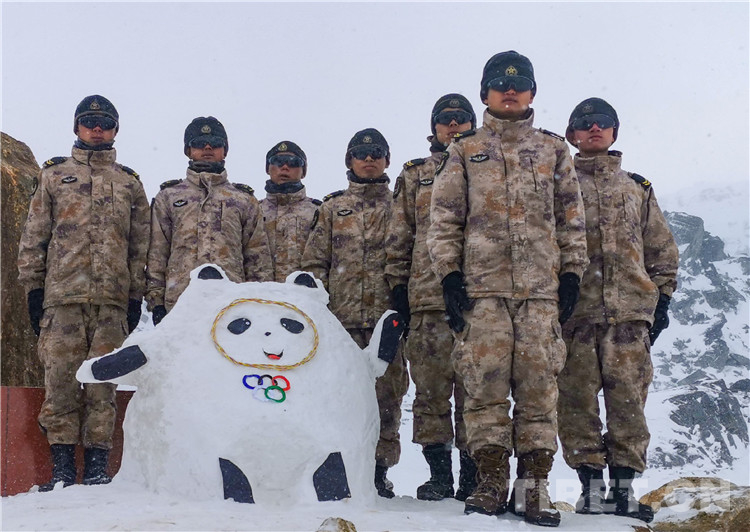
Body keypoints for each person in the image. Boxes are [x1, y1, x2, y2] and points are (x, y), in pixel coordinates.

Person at [427, 51, 588, 527]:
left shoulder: (553, 150)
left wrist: (572, 275)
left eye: (519, 84)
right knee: (484, 388)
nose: (510, 90)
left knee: (540, 390)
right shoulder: (464, 150)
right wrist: (449, 276)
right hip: (483, 292)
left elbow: (571, 220)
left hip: (540, 293)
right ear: (486, 93)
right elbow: (444, 219)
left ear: (532, 92)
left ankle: (533, 490)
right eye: (499, 84)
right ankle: (491, 483)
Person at [18, 95, 150, 490]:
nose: (97, 128)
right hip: (62, 301)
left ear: (115, 130)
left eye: (105, 123)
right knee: (60, 385)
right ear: (76, 127)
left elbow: (140, 247)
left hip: (111, 304)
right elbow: (34, 237)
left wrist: (134, 298)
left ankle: (96, 469)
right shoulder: (54, 176)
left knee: (101, 388)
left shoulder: (129, 183)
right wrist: (34, 291)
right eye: (90, 121)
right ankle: (61, 471)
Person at [556, 97, 679, 523]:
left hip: (628, 316)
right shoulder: (558, 185)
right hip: (575, 315)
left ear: (614, 132)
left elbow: (660, 249)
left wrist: (662, 300)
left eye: (603, 122)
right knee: (576, 404)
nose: (594, 128)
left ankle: (624, 494)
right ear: (572, 134)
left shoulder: (636, 188)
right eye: (585, 122)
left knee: (628, 404)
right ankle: (590, 491)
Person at [302, 128, 409, 498]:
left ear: (387, 159)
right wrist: (319, 313)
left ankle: (379, 471)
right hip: (341, 324)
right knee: (337, 398)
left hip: (386, 322)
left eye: (377, 152)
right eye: (361, 153)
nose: (369, 158)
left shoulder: (400, 206)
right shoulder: (332, 209)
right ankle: (338, 470)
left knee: (388, 399)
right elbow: (314, 264)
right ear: (349, 160)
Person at [385, 94, 477, 501]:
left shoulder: (486, 165)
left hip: (478, 298)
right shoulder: (414, 174)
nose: (453, 124)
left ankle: (474, 477)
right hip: (426, 300)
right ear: (433, 127)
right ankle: (439, 475)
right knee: (431, 393)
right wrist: (398, 289)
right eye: (445, 118)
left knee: (477, 393)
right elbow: (400, 235)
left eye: (460, 118)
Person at [146, 116, 272, 323]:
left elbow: (257, 257)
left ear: (225, 151)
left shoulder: (243, 200)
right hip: (180, 302)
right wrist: (156, 301)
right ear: (188, 150)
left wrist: (258, 302)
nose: (207, 147)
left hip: (232, 305)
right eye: (199, 143)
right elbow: (157, 253)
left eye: (215, 143)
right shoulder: (169, 197)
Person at [260, 141, 321, 282]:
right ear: (268, 168)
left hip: (304, 293)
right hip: (260, 293)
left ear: (303, 171)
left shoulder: (319, 212)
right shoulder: (253, 211)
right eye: (278, 161)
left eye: (293, 162)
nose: (285, 167)